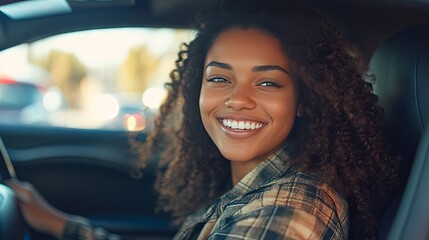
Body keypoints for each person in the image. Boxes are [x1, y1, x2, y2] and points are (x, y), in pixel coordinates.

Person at [6, 0, 400, 239]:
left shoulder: (297, 203)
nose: (237, 99)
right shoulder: (250, 190)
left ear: (303, 101)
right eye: (219, 78)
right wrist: (62, 225)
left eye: (266, 82)